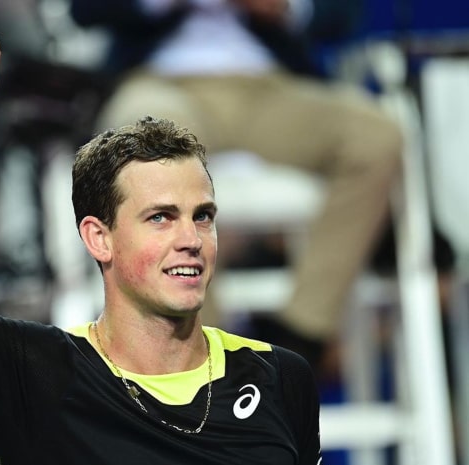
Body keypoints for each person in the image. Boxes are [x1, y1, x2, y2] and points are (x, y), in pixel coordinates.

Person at [0, 35, 325, 465]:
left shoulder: (282, 379)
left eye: (203, 216)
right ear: (99, 237)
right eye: (160, 218)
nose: (190, 240)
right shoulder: (31, 373)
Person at [69, 0, 404, 371]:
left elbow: (342, 14)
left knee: (377, 138)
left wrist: (288, 7)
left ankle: (302, 335)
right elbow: (84, 9)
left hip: (270, 87)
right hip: (160, 82)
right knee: (151, 150)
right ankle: (200, 353)